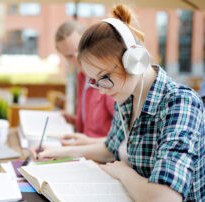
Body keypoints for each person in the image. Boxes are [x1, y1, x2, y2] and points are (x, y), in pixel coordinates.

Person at [31, 4, 205, 202]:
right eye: (95, 81)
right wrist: (58, 152)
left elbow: (165, 198)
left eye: (105, 76)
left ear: (134, 60)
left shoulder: (181, 103)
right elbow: (109, 148)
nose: (103, 90)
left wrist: (124, 173)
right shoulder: (127, 96)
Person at [55, 21, 115, 146]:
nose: (77, 58)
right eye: (70, 56)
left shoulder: (108, 80)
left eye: (79, 49)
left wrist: (87, 142)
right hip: (84, 156)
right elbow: (93, 126)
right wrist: (75, 120)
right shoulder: (81, 77)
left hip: (105, 160)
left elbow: (126, 138)